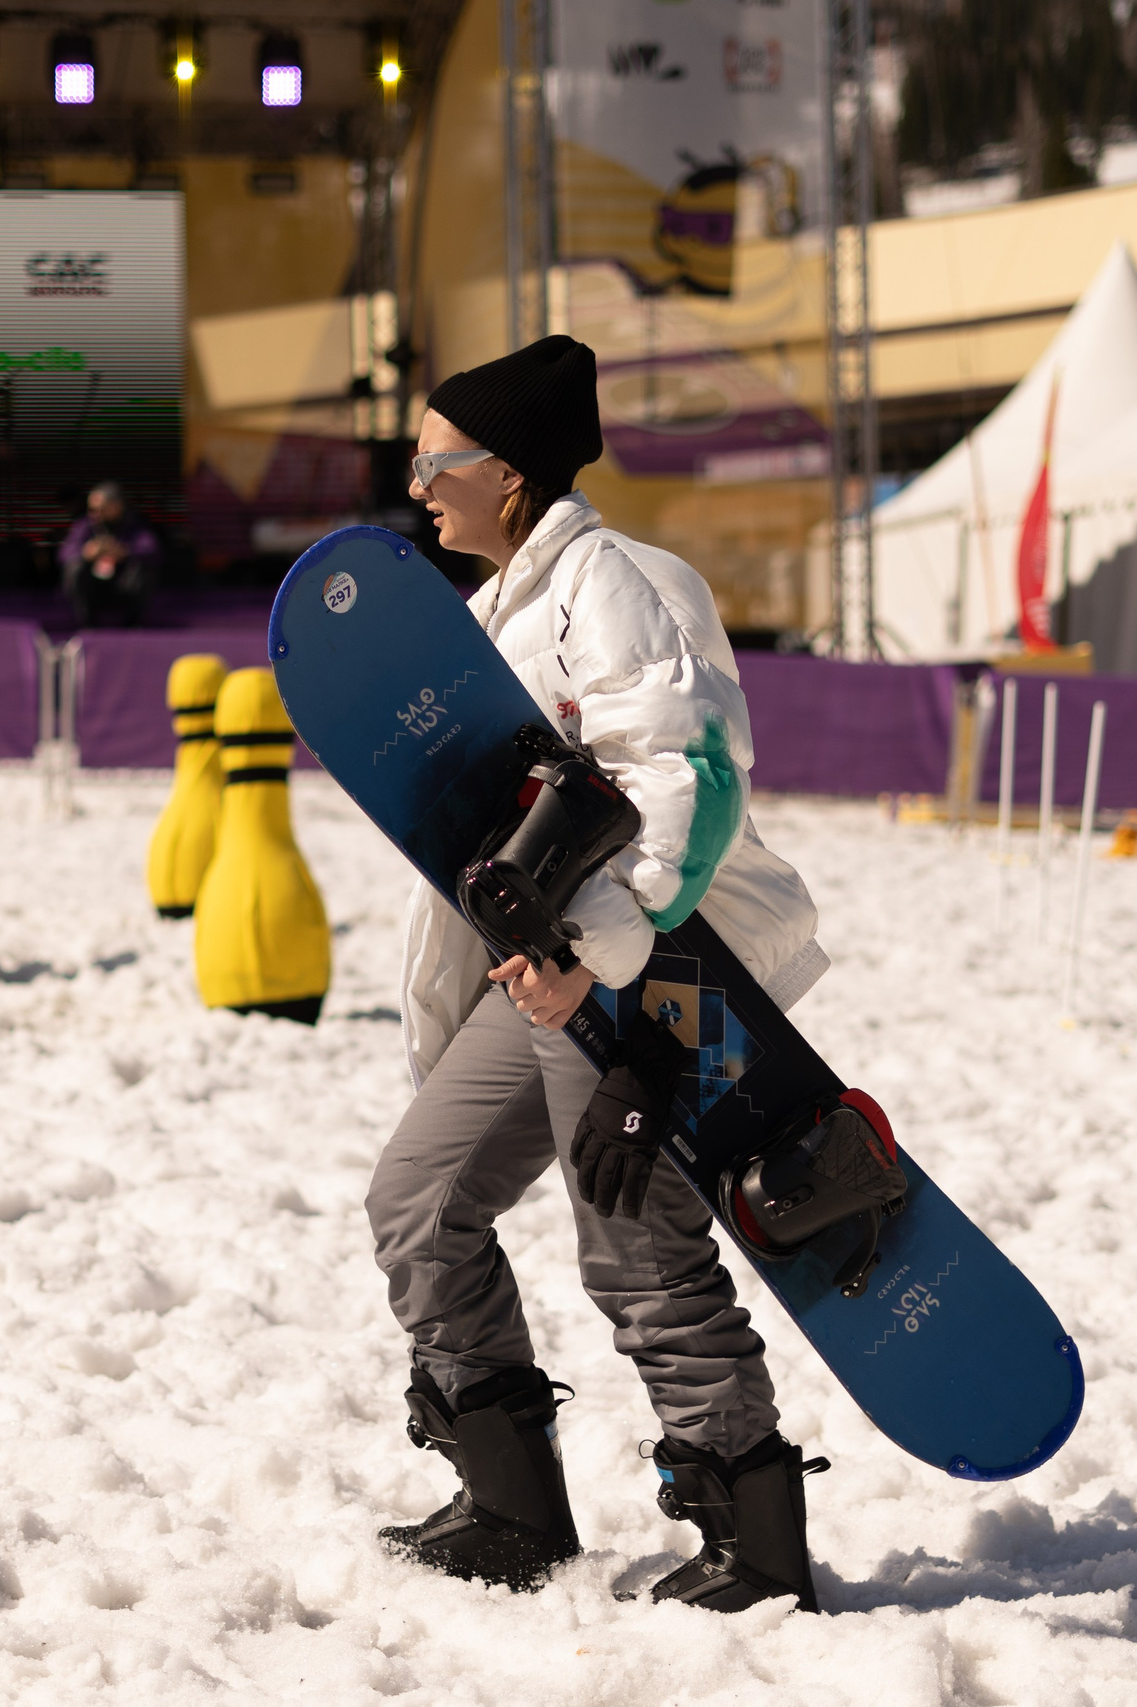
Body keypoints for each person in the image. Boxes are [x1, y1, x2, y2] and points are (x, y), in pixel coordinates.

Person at [368, 335, 834, 1611]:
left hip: (632, 981)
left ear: (505, 474)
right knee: (418, 1198)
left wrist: (597, 961)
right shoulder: (499, 605)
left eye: (434, 463)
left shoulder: (616, 584)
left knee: (633, 1246)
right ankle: (511, 1508)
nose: (418, 486)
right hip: (536, 980)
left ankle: (751, 1529)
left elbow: (689, 777)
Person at [57, 482, 158, 626]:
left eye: (100, 509)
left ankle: (133, 625)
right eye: (92, 509)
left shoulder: (134, 524)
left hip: (123, 584)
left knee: (144, 570)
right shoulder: (85, 525)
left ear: (116, 506)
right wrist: (86, 553)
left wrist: (124, 551)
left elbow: (152, 549)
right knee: (74, 569)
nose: (95, 514)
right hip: (93, 585)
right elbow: (64, 553)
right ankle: (86, 624)